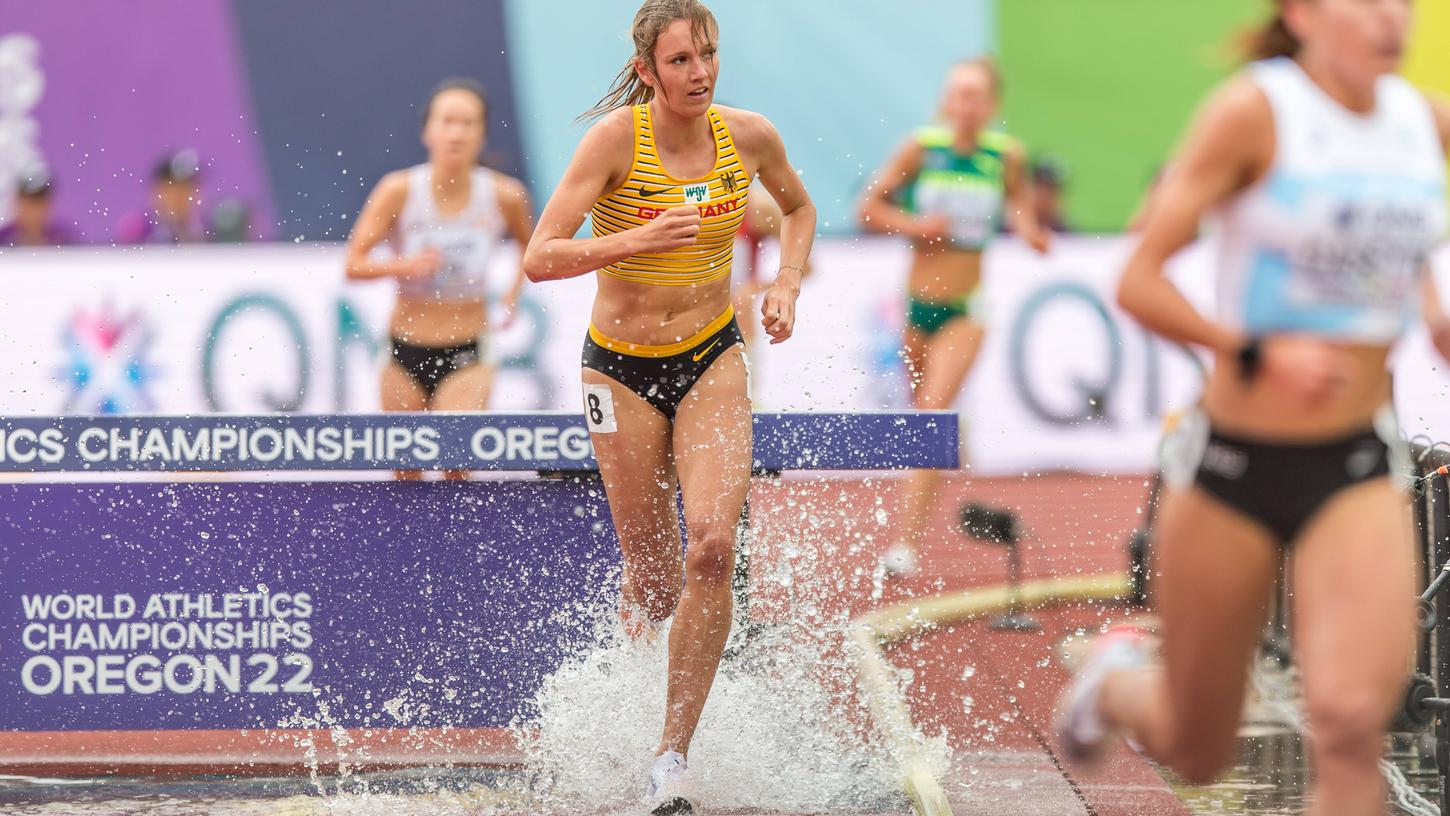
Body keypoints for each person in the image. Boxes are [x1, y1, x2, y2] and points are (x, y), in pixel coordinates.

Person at [1055, 3, 1448, 814]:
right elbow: (1141, 279)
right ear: (1301, 14)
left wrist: (1434, 314)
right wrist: (1253, 350)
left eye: (1401, 1)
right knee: (1200, 749)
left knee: (1348, 727)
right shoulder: (1254, 112)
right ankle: (1117, 682)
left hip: (1358, 462)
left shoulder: (1424, 122)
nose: (1390, 18)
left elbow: (1394, 250)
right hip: (1234, 461)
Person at [522, 1, 815, 811]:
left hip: (713, 355)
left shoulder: (746, 136)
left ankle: (670, 757)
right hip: (617, 372)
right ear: (648, 70)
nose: (701, 74)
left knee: (713, 550)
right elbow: (539, 258)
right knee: (652, 584)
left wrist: (786, 282)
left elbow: (798, 208)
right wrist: (629, 242)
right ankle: (627, 706)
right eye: (682, 61)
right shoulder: (615, 141)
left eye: (708, 56)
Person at [857, 57, 1049, 578]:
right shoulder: (922, 148)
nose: (966, 105)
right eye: (958, 94)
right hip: (917, 307)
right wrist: (917, 225)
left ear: (992, 105)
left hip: (968, 309)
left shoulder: (1005, 156)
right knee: (921, 413)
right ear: (947, 100)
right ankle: (940, 465)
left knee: (931, 412)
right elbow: (868, 208)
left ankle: (905, 542)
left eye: (976, 96)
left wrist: (1030, 229)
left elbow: (1019, 205)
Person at [345, 78, 532, 480]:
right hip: (402, 350)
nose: (457, 133)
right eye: (447, 121)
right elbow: (353, 264)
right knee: (405, 471)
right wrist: (401, 266)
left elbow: (532, 250)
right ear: (428, 130)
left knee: (456, 463)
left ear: (481, 133)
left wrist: (513, 295)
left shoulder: (505, 195)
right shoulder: (398, 190)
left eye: (468, 123)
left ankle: (458, 544)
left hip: (467, 351)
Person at [116, 149, 208, 244]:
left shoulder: (215, 230)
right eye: (172, 190)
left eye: (186, 188)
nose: (179, 197)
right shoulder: (137, 231)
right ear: (155, 192)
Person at [0, 167, 75, 247]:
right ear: (18, 202)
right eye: (29, 202)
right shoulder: (2, 239)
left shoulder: (66, 240)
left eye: (39, 202)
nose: (34, 211)